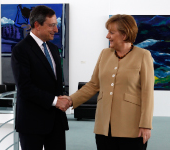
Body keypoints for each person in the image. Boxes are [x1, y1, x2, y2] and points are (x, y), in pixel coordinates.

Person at [61, 14, 154, 150]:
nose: (107, 36)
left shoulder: (143, 55)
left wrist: (146, 124)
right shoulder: (105, 54)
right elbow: (93, 85)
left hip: (131, 126)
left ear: (124, 34)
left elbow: (147, 93)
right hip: (104, 126)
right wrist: (71, 100)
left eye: (111, 32)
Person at [11, 5, 70, 150]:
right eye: (52, 25)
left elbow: (56, 82)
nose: (56, 30)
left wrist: (65, 98)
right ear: (37, 25)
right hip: (32, 123)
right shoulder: (20, 50)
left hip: (56, 122)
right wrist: (56, 101)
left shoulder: (54, 49)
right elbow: (25, 87)